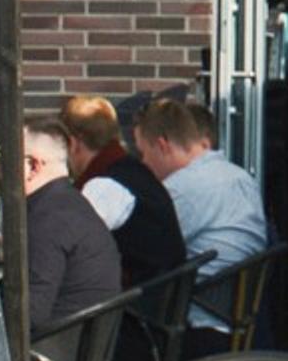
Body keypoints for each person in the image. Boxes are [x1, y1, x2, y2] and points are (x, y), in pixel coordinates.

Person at [136, 94, 273, 343]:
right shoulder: (240, 177)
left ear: (163, 145)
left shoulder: (182, 189)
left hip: (197, 326)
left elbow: (143, 249)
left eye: (144, 153)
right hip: (239, 320)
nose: (143, 163)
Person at [63, 95, 186, 286]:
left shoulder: (105, 187)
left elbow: (64, 247)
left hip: (136, 307)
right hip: (157, 299)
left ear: (74, 143)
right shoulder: (133, 172)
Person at [16, 123, 124, 341]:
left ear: (33, 166)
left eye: (6, 160)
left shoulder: (47, 218)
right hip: (80, 349)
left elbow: (29, 315)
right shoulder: (70, 205)